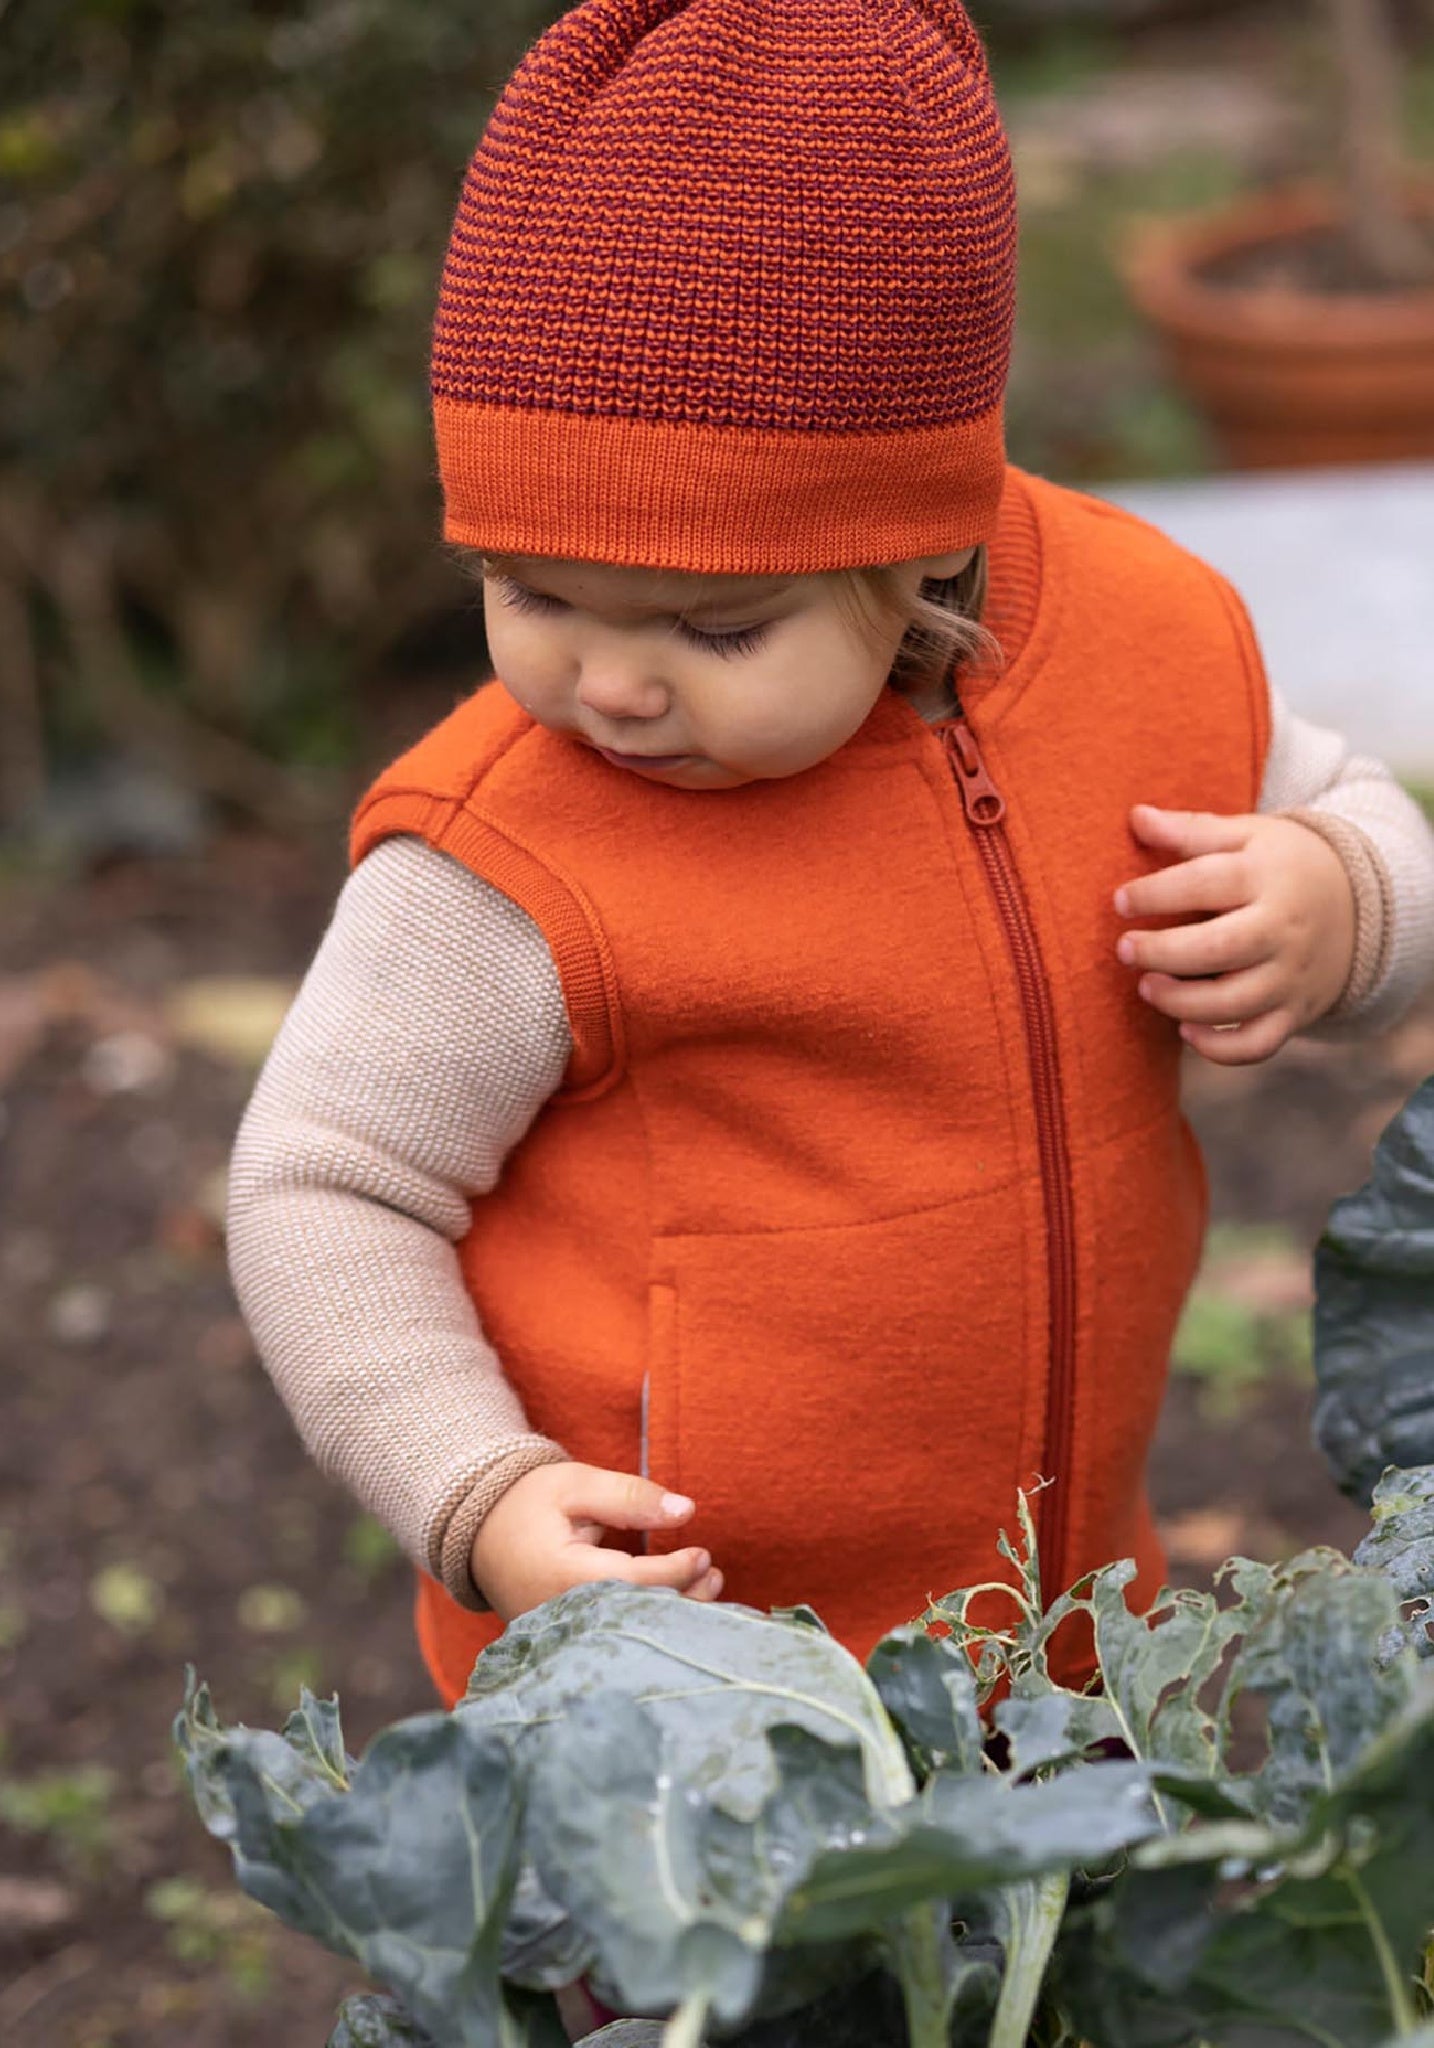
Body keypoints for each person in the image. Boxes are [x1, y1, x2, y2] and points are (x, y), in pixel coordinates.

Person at [228, 0, 1434, 1717]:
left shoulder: (1149, 639)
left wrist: (1339, 898)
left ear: (923, 548)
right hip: (684, 1706)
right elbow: (323, 1184)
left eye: (714, 627)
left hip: (1064, 1643)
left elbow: (1350, 809)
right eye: (531, 592)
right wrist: (473, 1494)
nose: (609, 684)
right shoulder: (506, 855)